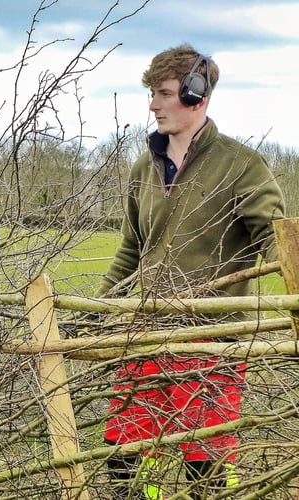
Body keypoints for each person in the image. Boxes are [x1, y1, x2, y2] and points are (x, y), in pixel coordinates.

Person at [97, 44, 285, 499]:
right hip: (148, 329)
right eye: (152, 93)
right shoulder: (144, 167)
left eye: (163, 93)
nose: (153, 104)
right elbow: (132, 248)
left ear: (197, 94)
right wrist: (99, 309)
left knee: (206, 456)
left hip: (213, 336)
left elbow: (277, 241)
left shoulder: (240, 165)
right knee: (123, 450)